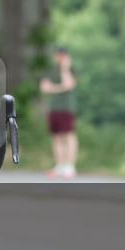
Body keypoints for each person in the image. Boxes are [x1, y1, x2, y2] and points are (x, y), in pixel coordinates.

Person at [39, 46, 78, 179]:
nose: (60, 58)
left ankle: (70, 166)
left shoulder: (70, 70)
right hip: (54, 108)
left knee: (69, 136)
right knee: (56, 137)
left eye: (63, 55)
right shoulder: (50, 71)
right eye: (58, 55)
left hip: (67, 108)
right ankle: (60, 165)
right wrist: (60, 88)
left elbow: (69, 84)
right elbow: (44, 88)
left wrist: (65, 69)